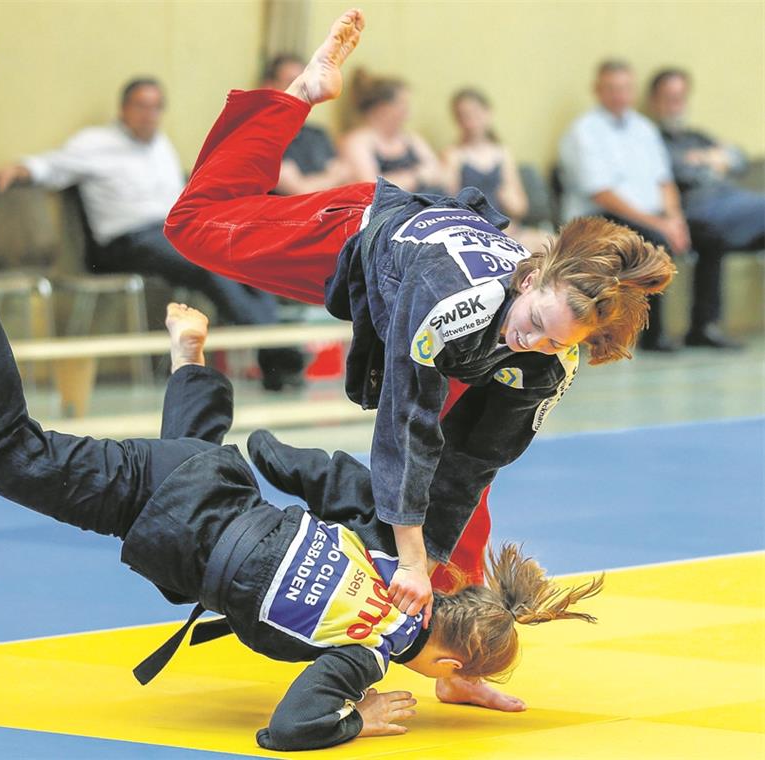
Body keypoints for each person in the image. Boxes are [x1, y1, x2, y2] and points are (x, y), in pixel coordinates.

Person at [0, 195, 601, 751]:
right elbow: (288, 730)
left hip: (215, 484)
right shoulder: (365, 656)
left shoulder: (390, 559)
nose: (536, 343)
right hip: (166, 506)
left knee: (186, 460)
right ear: (447, 666)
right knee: (1, 453)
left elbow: (329, 475)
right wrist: (358, 716)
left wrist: (270, 455)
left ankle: (189, 365)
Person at [163, 9, 673, 645]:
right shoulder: (448, 301)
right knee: (191, 226)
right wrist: (410, 556)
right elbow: (405, 423)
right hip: (356, 239)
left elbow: (475, 462)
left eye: (555, 340)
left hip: (435, 303)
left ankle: (458, 648)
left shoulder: (549, 355)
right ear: (530, 278)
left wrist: (432, 567)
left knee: (469, 477)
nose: (534, 342)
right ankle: (301, 94)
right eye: (538, 322)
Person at [0, 77, 304, 390]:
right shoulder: (96, 143)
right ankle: (278, 356)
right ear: (124, 109)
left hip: (173, 232)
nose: (149, 115)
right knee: (208, 264)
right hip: (125, 243)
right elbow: (52, 166)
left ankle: (275, 353)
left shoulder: (160, 145)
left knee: (245, 254)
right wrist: (18, 169)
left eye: (156, 107)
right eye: (141, 106)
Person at [557, 60, 690, 352]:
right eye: (612, 89)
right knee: (652, 241)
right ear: (597, 90)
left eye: (625, 88)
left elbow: (664, 181)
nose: (619, 95)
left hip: (649, 217)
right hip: (598, 218)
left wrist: (675, 219)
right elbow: (602, 194)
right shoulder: (585, 131)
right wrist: (660, 225)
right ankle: (651, 335)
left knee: (707, 234)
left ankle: (702, 328)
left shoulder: (644, 129)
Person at [649, 68, 765, 349]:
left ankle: (705, 326)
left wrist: (707, 157)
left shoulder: (696, 136)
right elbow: (677, 172)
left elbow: (738, 159)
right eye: (669, 97)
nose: (676, 104)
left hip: (733, 207)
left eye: (680, 97)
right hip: (698, 211)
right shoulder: (653, 139)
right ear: (655, 100)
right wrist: (712, 160)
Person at [441, 88, 552, 254]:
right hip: (474, 231)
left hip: (508, 227)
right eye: (464, 116)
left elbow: (520, 207)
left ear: (488, 113)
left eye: (475, 114)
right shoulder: (453, 155)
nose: (471, 122)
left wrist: (510, 200)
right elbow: (449, 205)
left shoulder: (502, 153)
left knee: (553, 244)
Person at [340, 68, 448, 193]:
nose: (408, 114)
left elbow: (440, 173)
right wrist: (417, 176)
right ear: (383, 108)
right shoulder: (357, 141)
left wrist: (403, 180)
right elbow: (371, 188)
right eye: (403, 105)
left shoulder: (411, 139)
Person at [261, 54, 351, 194]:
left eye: (306, 85)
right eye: (292, 83)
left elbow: (346, 176)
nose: (303, 92)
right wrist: (332, 178)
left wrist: (313, 182)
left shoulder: (317, 135)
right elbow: (300, 190)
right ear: (270, 87)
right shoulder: (263, 137)